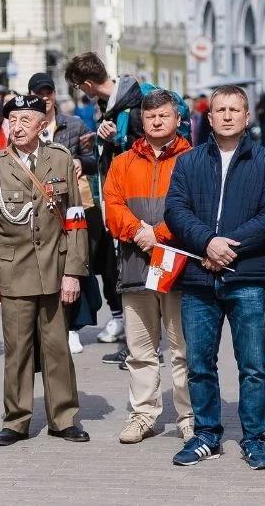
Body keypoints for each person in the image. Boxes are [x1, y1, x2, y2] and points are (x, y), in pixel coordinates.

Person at [164, 85, 265, 470]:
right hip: (199, 277)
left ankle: (254, 437)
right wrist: (208, 243)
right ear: (210, 116)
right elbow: (176, 210)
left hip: (246, 276)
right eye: (221, 109)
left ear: (247, 117)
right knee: (199, 362)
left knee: (252, 364)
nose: (229, 115)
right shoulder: (188, 162)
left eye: (236, 109)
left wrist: (228, 247)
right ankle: (206, 435)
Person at [0, 94, 91, 446]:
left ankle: (64, 417)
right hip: (12, 271)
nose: (18, 126)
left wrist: (73, 271)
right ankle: (16, 419)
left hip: (55, 270)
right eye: (13, 120)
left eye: (26, 120)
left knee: (57, 347)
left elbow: (75, 218)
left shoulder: (60, 158)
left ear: (42, 125)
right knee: (18, 350)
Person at [104, 89, 195, 444]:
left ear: (177, 119)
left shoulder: (193, 158)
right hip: (135, 264)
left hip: (178, 266)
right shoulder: (123, 162)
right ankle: (143, 414)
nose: (157, 122)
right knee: (140, 350)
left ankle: (188, 416)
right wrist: (139, 233)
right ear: (142, 121)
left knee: (182, 350)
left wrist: (159, 233)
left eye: (164, 116)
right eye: (150, 117)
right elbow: (113, 206)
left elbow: (195, 209)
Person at [65, 52, 140, 353]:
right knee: (123, 270)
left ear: (86, 83)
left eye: (79, 87)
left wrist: (113, 140)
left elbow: (140, 152)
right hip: (119, 198)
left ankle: (138, 345)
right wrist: (99, 141)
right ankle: (133, 341)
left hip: (134, 201)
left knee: (132, 272)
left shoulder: (131, 106)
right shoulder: (111, 106)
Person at [29, 72, 101, 353]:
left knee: (76, 264)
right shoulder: (25, 127)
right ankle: (48, 325)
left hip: (75, 204)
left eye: (48, 92)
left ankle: (73, 327)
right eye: (39, 93)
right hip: (39, 209)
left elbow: (93, 158)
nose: (44, 98)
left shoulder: (74, 124)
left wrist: (81, 161)